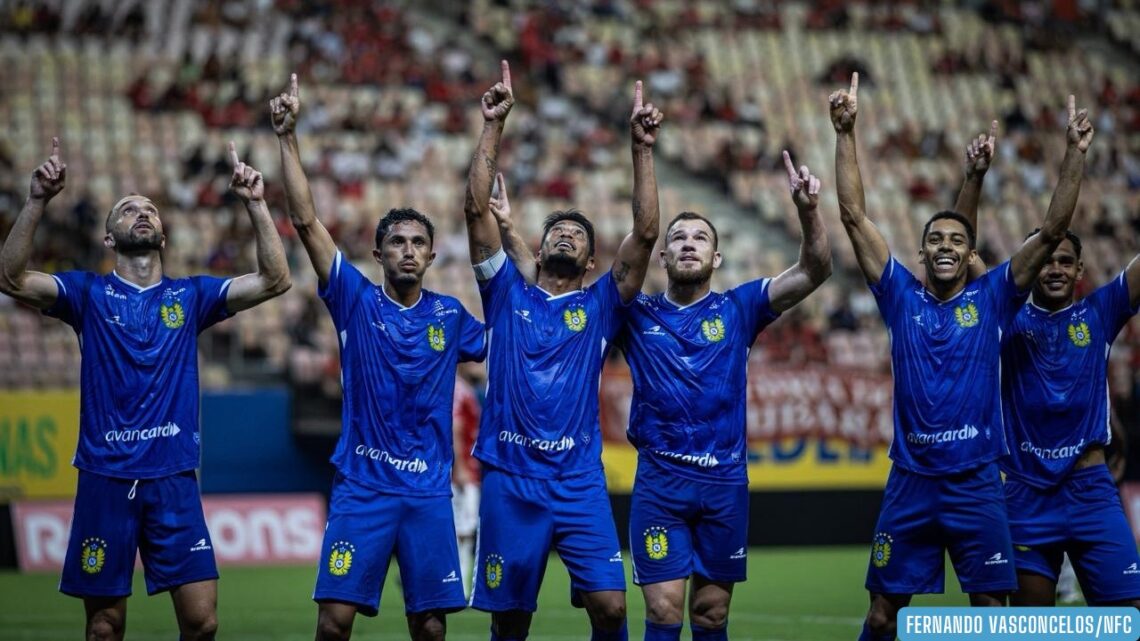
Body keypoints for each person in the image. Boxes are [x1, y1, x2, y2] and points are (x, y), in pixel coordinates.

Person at [828, 73, 1093, 641]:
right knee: (881, 615)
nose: (945, 246)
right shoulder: (899, 295)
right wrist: (845, 133)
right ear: (921, 253)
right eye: (935, 240)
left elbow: (1051, 231)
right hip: (911, 482)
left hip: (976, 483)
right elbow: (853, 216)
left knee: (992, 613)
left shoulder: (994, 296)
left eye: (956, 240)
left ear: (969, 253)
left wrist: (1073, 155)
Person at [0, 138, 291, 641]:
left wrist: (257, 204)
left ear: (162, 235)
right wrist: (37, 201)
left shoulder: (191, 295)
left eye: (150, 209)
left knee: (202, 624)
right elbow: (9, 278)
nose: (141, 213)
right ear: (109, 239)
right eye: (127, 209)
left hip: (173, 478)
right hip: (105, 479)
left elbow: (275, 279)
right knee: (105, 628)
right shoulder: (87, 294)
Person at [271, 74, 486, 641]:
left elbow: (507, 347)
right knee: (334, 623)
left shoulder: (450, 317)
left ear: (433, 255)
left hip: (428, 492)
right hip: (363, 487)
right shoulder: (355, 300)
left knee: (432, 626)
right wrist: (288, 140)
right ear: (378, 252)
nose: (408, 250)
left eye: (418, 242)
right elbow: (307, 223)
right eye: (398, 241)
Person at [462, 61, 661, 641]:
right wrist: (493, 126)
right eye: (556, 230)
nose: (566, 233)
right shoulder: (503, 293)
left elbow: (646, 235)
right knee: (511, 618)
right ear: (539, 247)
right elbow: (476, 213)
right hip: (510, 476)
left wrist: (641, 148)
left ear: (594, 262)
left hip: (578, 480)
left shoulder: (602, 305)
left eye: (578, 232)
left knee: (612, 609)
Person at [618, 149, 831, 641]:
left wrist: (807, 211)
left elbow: (816, 269)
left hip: (724, 484)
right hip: (660, 484)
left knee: (712, 615)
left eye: (700, 239)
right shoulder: (634, 313)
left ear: (717, 257)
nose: (688, 245)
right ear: (663, 256)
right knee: (665, 612)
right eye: (678, 238)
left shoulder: (741, 307)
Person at [999, 224, 1140, 606]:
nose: (1055, 269)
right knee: (1032, 629)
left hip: (1090, 492)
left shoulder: (1100, 313)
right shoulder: (1004, 319)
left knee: (1129, 618)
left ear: (1080, 270)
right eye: (1045, 260)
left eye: (1065, 261)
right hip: (1026, 492)